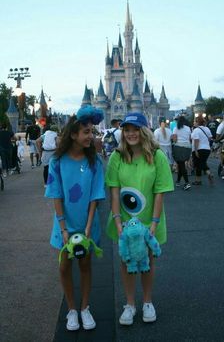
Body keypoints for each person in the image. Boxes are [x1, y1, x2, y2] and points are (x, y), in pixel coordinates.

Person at [105, 112, 174, 325]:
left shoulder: (157, 156)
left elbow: (159, 192)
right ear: (122, 132)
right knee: (127, 261)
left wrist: (153, 224)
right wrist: (118, 222)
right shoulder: (117, 156)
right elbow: (114, 191)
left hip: (149, 219)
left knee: (146, 261)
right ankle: (129, 304)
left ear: (144, 131)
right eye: (127, 130)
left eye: (135, 129)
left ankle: (147, 301)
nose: (131, 134)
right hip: (124, 219)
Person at [45, 106, 105, 332]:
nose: (91, 136)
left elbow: (95, 196)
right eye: (86, 132)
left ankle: (85, 308)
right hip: (63, 225)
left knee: (85, 264)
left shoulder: (95, 162)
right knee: (64, 266)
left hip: (88, 224)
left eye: (92, 131)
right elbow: (56, 196)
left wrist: (88, 227)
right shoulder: (57, 163)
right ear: (73, 134)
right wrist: (63, 229)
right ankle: (71, 309)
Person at [191, 116, 214, 185]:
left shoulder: (196, 130)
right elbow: (210, 138)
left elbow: (196, 141)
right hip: (207, 149)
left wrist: (196, 150)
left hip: (199, 149)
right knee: (202, 163)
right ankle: (208, 173)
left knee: (198, 165)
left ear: (198, 122)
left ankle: (198, 180)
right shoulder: (207, 129)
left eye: (195, 121)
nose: (193, 123)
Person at [172, 116, 192, 190]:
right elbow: (190, 139)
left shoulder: (176, 128)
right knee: (181, 164)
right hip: (187, 148)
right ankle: (178, 181)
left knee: (181, 165)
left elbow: (174, 139)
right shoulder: (188, 128)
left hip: (179, 147)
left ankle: (187, 182)